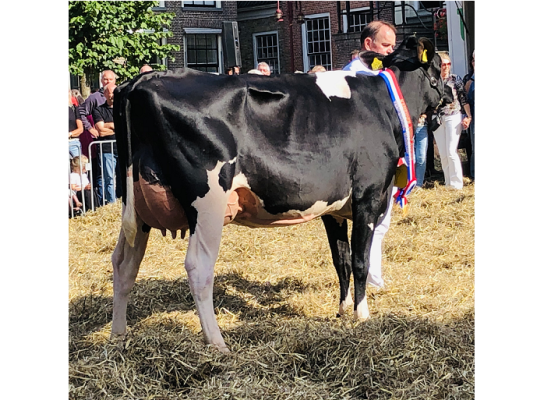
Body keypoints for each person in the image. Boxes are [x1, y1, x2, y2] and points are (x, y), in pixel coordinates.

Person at [341, 20, 397, 290]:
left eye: (392, 46)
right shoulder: (354, 75)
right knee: (370, 218)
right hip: (362, 156)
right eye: (386, 45)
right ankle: (371, 278)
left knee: (382, 218)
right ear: (368, 44)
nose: (390, 51)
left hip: (382, 152)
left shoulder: (384, 72)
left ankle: (373, 274)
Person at [433, 52, 472, 190]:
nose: (446, 67)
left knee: (451, 151)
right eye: (443, 64)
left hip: (453, 115)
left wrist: (468, 116)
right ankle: (448, 182)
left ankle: (456, 184)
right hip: (437, 118)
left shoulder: (456, 79)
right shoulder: (433, 80)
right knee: (443, 154)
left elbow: (463, 99)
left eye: (448, 64)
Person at [92, 83, 119, 205]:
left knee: (124, 178)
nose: (112, 95)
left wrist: (107, 125)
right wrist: (117, 126)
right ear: (105, 94)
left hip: (122, 149)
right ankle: (112, 204)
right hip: (107, 149)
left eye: (114, 92)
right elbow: (101, 131)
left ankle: (123, 202)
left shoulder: (123, 108)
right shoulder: (98, 110)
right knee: (109, 179)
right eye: (110, 92)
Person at [464, 51, 475, 180]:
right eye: (473, 60)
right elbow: (465, 99)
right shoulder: (469, 79)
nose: (474, 62)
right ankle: (474, 174)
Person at [414, 114, 428, 187]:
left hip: (422, 127)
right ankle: (409, 184)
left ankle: (419, 185)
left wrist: (423, 115)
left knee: (421, 157)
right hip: (409, 127)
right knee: (411, 159)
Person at [69, 89, 83, 158]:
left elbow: (80, 129)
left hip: (73, 143)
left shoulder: (74, 109)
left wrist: (70, 134)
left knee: (78, 167)